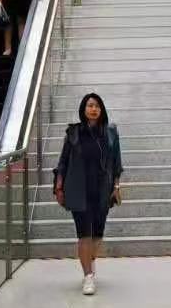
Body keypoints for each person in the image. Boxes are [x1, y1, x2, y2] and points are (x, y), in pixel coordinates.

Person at [53, 92, 123, 295]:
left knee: (97, 235)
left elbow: (116, 162)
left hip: (103, 189)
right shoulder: (74, 133)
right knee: (84, 234)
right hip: (78, 189)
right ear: (83, 109)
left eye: (97, 106)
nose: (93, 109)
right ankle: (88, 276)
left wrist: (116, 186)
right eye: (90, 105)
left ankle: (89, 262)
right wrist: (59, 187)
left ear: (102, 110)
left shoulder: (110, 132)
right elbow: (63, 162)